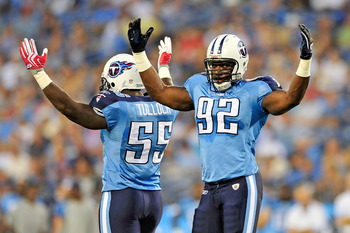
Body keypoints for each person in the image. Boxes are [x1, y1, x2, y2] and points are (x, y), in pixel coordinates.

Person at [127, 18, 313, 233]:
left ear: (240, 64)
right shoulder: (199, 85)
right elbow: (160, 93)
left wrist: (305, 61)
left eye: (224, 65)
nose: (217, 71)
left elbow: (290, 99)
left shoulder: (255, 90)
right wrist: (140, 55)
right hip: (210, 187)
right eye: (214, 65)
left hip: (241, 183)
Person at [19, 37, 179, 233]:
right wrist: (163, 67)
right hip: (154, 198)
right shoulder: (164, 106)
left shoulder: (118, 106)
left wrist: (39, 74)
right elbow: (166, 91)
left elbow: (70, 109)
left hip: (122, 195)